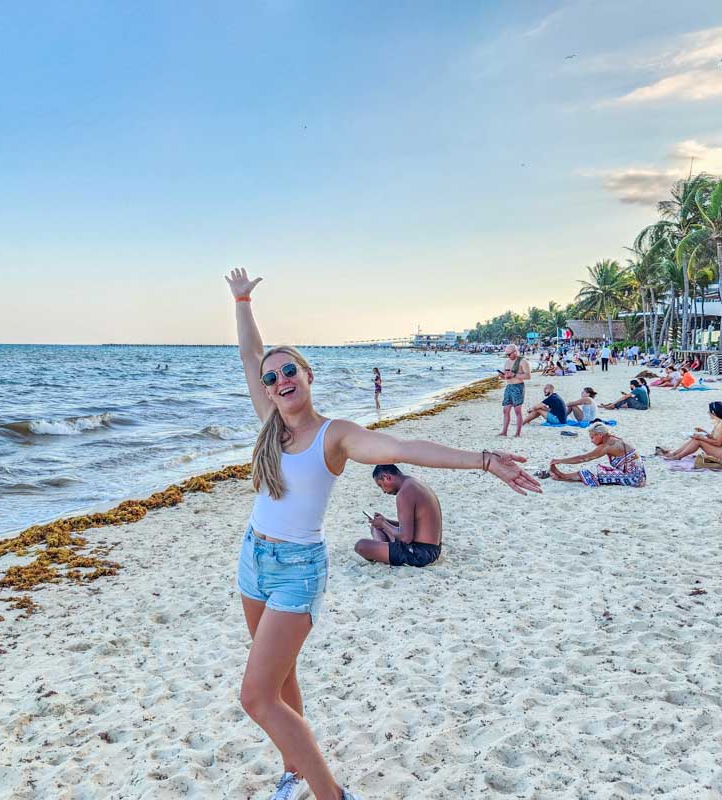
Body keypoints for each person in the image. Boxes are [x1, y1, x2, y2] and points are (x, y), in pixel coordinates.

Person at [225, 268, 541, 800]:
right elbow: (249, 353)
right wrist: (241, 301)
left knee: (255, 697)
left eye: (289, 371)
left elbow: (407, 447)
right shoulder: (270, 424)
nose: (280, 380)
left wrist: (484, 460)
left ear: (307, 375)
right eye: (272, 377)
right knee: (279, 682)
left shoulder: (336, 435)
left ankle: (332, 794)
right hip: (254, 558)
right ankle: (294, 772)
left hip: (298, 570)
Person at [354, 465, 442, 568]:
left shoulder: (405, 492)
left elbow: (405, 537)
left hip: (421, 553)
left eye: (381, 485)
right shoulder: (413, 484)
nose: (383, 491)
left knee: (361, 546)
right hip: (433, 549)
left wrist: (383, 524)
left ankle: (383, 555)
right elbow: (413, 525)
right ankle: (385, 553)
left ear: (387, 477)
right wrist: (384, 522)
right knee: (376, 527)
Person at [549, 423, 646, 487]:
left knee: (592, 471)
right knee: (599, 469)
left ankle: (563, 476)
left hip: (634, 479)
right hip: (638, 475)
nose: (591, 441)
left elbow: (584, 458)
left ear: (600, 435)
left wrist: (560, 461)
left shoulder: (608, 445)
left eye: (592, 438)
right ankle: (566, 476)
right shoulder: (614, 439)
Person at [656, 401, 722, 460]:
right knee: (695, 439)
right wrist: (704, 432)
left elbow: (718, 442)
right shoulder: (719, 423)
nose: (708, 414)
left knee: (698, 441)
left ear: (713, 412)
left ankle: (678, 457)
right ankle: (674, 454)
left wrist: (701, 438)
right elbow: (713, 438)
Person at [499, 343, 531, 438]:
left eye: (509, 354)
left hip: (518, 386)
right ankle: (504, 431)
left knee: (517, 410)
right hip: (509, 386)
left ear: (515, 352)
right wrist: (503, 376)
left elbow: (528, 376)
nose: (508, 356)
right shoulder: (507, 362)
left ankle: (518, 433)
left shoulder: (523, 361)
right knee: (506, 410)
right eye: (507, 354)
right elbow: (506, 375)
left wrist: (514, 375)